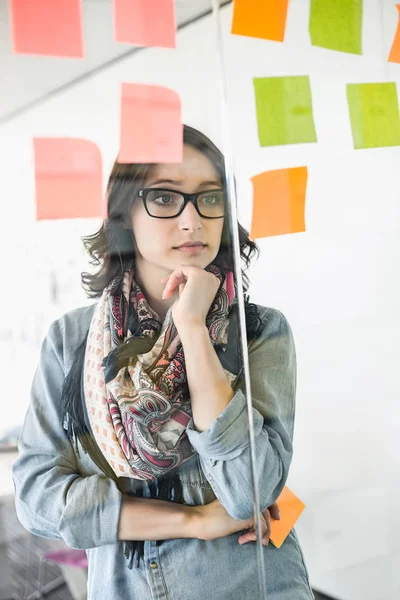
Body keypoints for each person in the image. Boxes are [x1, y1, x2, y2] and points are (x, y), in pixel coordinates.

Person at [12, 125, 314, 599]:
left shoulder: (258, 331)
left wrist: (192, 327)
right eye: (166, 198)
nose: (192, 221)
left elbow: (250, 493)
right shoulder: (73, 341)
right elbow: (37, 499)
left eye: (209, 199)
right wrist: (193, 521)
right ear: (125, 212)